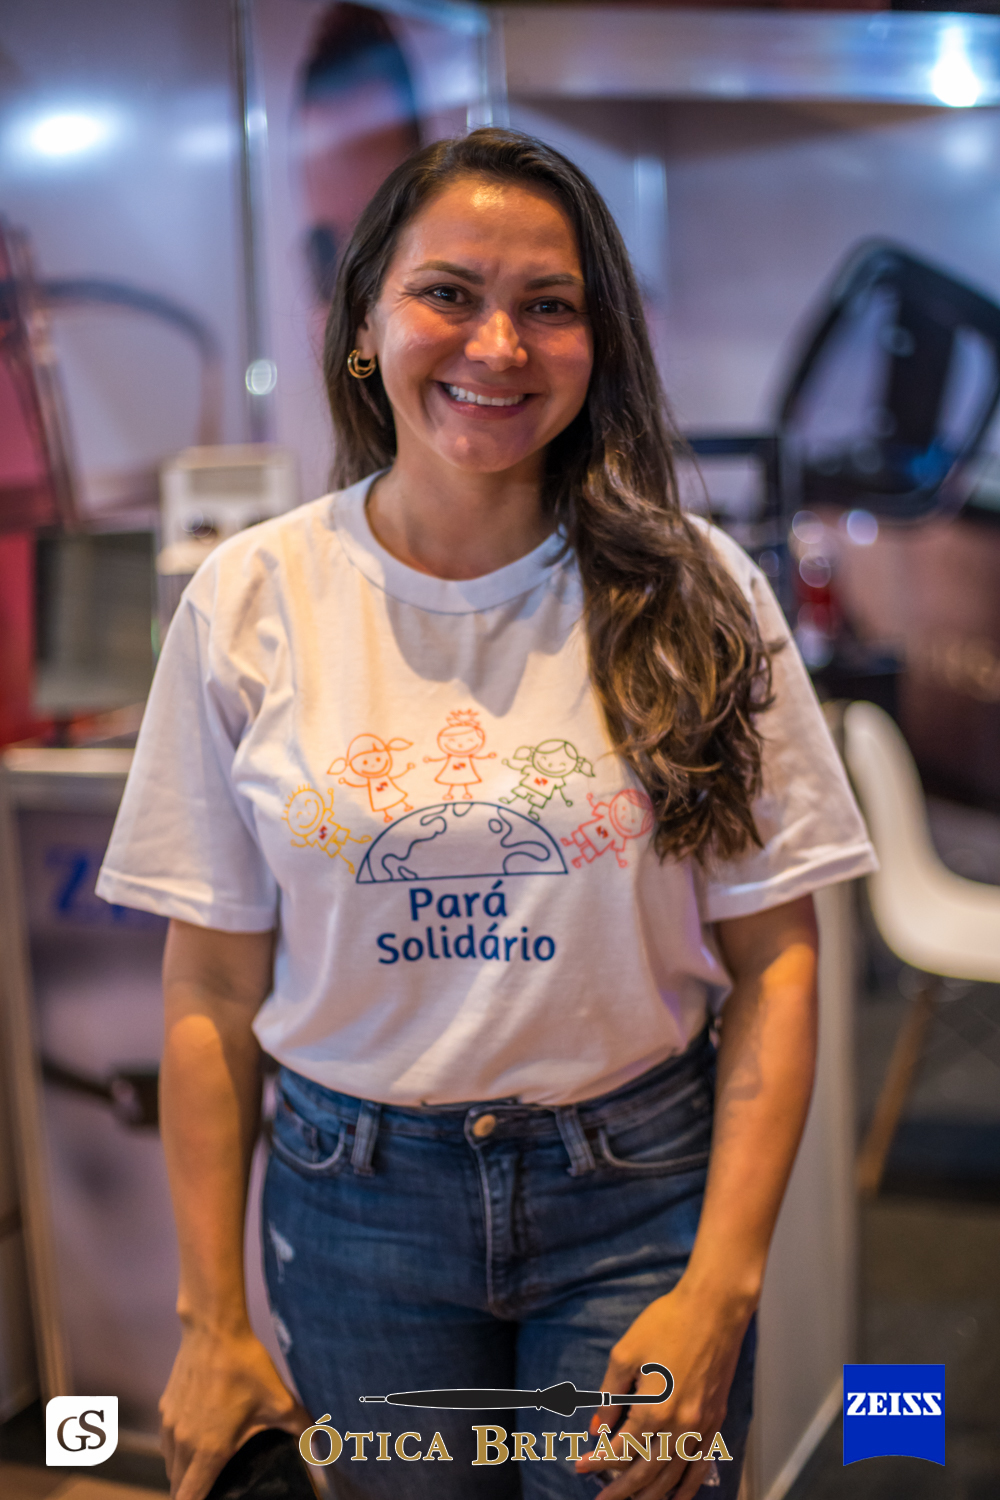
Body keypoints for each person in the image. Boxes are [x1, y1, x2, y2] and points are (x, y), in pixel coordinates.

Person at [97, 128, 876, 1500]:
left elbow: (781, 957)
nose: (499, 345)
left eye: (550, 305)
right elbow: (210, 987)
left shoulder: (696, 591)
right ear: (362, 330)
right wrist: (210, 1316)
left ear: (600, 343)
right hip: (354, 1205)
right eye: (448, 292)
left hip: (635, 1191)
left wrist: (722, 1288)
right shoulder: (251, 599)